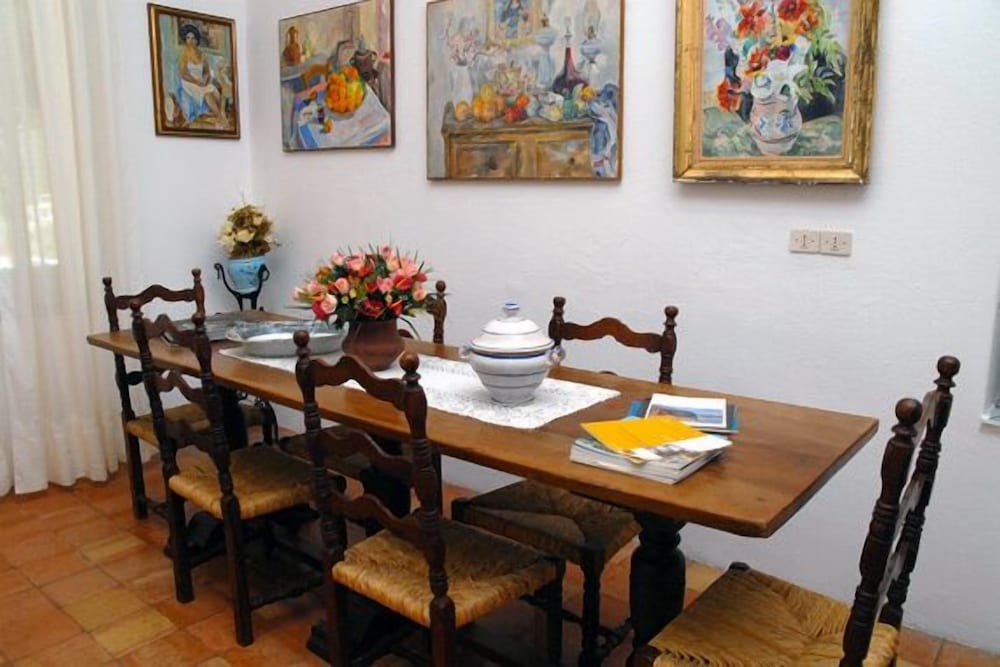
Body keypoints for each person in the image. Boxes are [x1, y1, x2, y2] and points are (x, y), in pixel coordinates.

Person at [177, 24, 224, 125]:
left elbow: (206, 72)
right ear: (185, 39)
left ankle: (214, 115)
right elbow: (183, 74)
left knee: (213, 91)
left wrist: (205, 79)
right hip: (189, 82)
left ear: (197, 40)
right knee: (207, 94)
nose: (191, 41)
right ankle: (220, 117)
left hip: (201, 82)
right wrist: (196, 81)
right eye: (188, 38)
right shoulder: (184, 55)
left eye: (193, 38)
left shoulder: (202, 55)